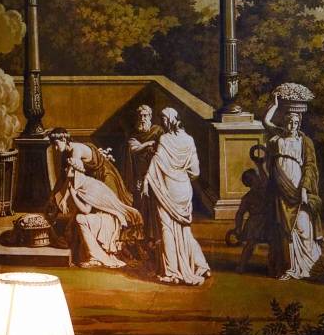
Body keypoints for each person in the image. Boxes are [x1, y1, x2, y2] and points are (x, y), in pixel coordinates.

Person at [263, 84, 324, 282]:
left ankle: (309, 265)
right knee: (285, 228)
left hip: (297, 186)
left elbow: (310, 167)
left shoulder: (304, 142)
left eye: (295, 123)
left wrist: (305, 189)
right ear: (285, 122)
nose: (292, 125)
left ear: (299, 124)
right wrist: (275, 105)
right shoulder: (279, 136)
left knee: (303, 226)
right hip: (280, 187)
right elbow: (266, 121)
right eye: (289, 122)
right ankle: (290, 267)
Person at [47, 128, 141, 268]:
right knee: (83, 215)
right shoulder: (68, 153)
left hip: (104, 177)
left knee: (108, 209)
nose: (55, 148)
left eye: (56, 144)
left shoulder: (76, 150)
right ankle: (88, 251)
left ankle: (107, 249)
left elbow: (71, 176)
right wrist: (63, 198)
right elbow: (69, 178)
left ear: (64, 140)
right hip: (89, 179)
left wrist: (66, 197)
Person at [143, 108, 211, 286]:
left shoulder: (165, 139)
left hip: (167, 188)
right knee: (184, 230)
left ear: (171, 120)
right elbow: (195, 171)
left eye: (164, 119)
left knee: (166, 228)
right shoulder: (189, 140)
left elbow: (156, 162)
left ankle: (172, 271)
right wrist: (181, 172)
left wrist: (147, 180)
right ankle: (201, 265)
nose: (163, 123)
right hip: (183, 188)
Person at [232, 145, 287, 276]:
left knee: (273, 245)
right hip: (255, 223)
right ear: (249, 182)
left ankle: (272, 268)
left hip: (268, 221)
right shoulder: (248, 197)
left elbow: (265, 179)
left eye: (256, 177)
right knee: (250, 245)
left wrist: (260, 165)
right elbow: (240, 213)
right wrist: (238, 227)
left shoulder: (265, 189)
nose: (257, 179)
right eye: (254, 178)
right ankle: (241, 266)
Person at [124, 105, 161, 257]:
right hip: (139, 176)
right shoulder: (134, 135)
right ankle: (143, 238)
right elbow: (134, 149)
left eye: (145, 115)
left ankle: (155, 239)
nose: (143, 118)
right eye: (140, 116)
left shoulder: (158, 131)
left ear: (150, 117)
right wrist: (148, 144)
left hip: (156, 176)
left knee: (154, 207)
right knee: (141, 206)